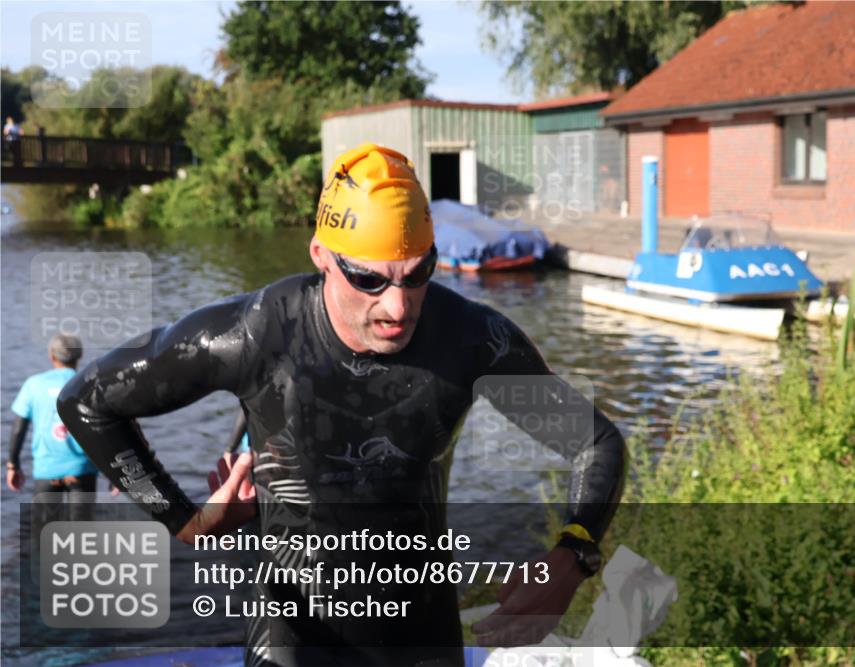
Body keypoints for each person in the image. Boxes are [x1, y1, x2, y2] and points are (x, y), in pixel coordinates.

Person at [58, 143, 626, 666]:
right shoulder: (257, 334)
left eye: (418, 274)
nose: (398, 307)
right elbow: (86, 402)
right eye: (369, 280)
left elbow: (595, 441)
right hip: (292, 632)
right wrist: (187, 521)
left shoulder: (471, 338)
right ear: (322, 256)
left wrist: (572, 556)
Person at [8, 334, 98, 513]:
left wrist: (13, 465)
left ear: (52, 356)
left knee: (45, 528)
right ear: (79, 356)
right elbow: (109, 429)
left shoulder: (33, 384)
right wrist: (116, 474)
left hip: (46, 470)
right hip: (82, 469)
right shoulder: (91, 384)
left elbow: (19, 428)